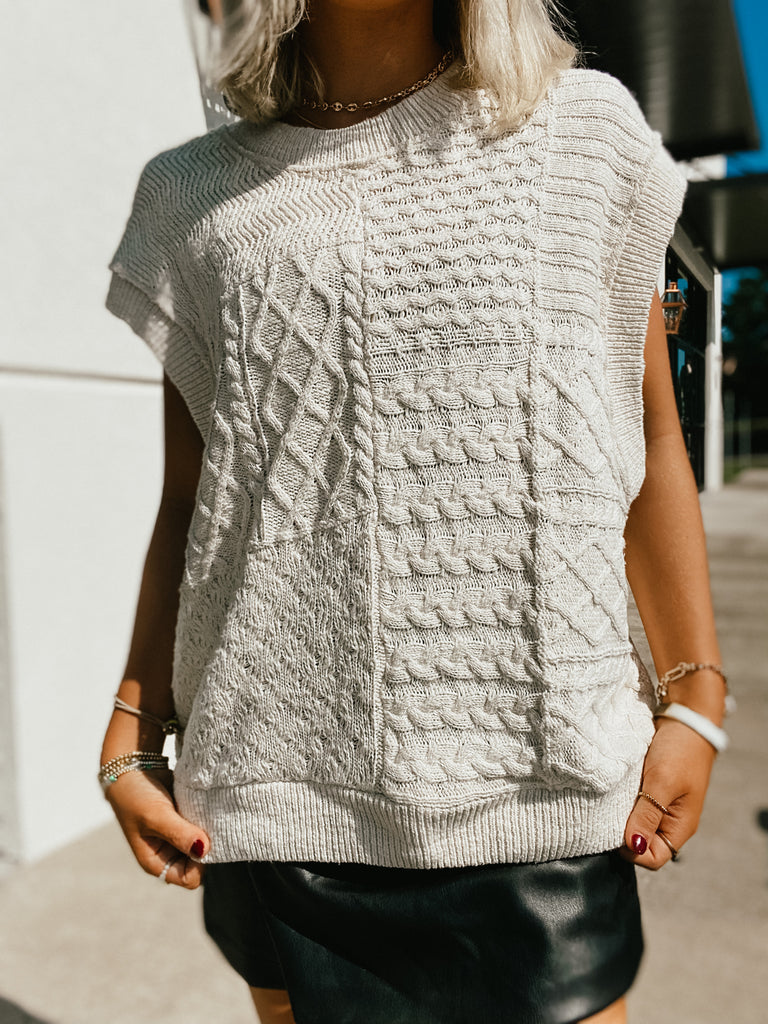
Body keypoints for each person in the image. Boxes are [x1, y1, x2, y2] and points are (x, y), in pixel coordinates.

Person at [99, 1, 730, 1022]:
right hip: (278, 810)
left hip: (545, 808)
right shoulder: (193, 197)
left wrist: (696, 697)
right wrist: (134, 728)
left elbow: (652, 440)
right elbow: (196, 500)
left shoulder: (584, 137)